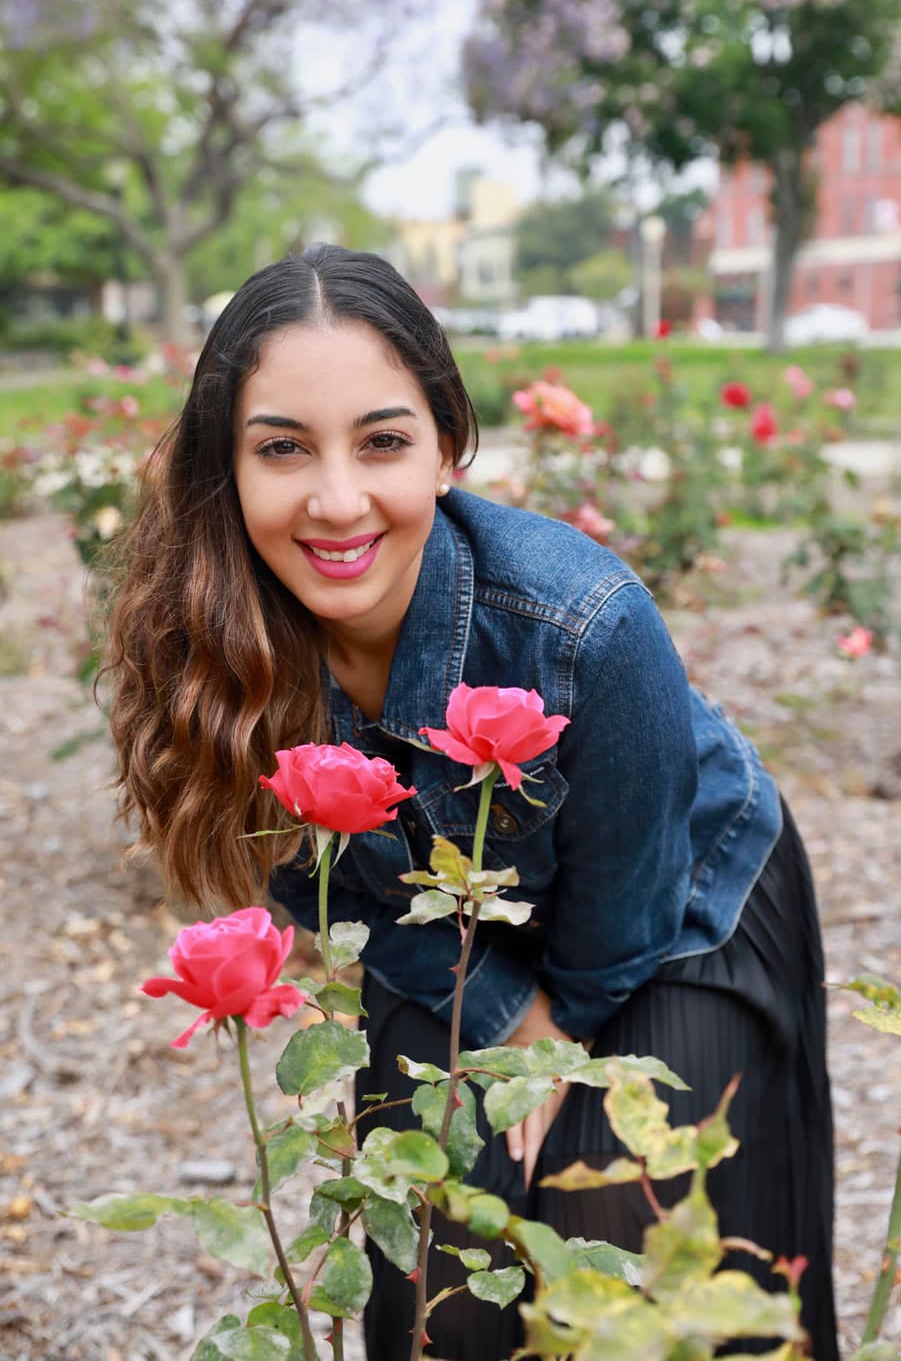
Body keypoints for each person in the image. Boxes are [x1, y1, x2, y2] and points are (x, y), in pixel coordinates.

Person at [106, 245, 838, 1360]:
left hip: (677, 914)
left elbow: (629, 901)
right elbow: (315, 884)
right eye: (283, 448)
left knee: (624, 1226)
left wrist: (550, 1047)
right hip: (438, 937)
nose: (336, 500)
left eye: (383, 441)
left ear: (448, 448)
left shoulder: (585, 623)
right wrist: (501, 1015)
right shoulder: (203, 645)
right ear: (226, 467)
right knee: (438, 1271)